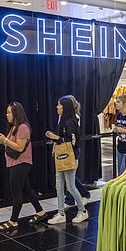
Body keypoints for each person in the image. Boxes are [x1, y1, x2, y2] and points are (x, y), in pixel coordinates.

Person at [0, 102, 47, 231]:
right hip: (15, 163)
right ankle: (40, 212)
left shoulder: (22, 127)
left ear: (16, 113)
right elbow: (12, 145)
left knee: (16, 193)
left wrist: (5, 140)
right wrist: (4, 140)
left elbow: (20, 147)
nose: (7, 115)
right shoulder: (14, 127)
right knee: (26, 189)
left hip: (20, 164)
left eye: (9, 112)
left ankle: (13, 221)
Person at [45, 96, 88, 224]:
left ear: (65, 107)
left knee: (70, 186)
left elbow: (72, 142)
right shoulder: (62, 121)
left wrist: (56, 138)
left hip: (70, 157)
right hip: (61, 157)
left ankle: (83, 210)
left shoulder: (71, 122)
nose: (57, 107)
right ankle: (60, 213)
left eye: (59, 105)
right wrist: (55, 140)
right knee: (59, 186)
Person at [64, 95, 89, 208]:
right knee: (69, 176)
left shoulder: (74, 118)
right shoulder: (68, 117)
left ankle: (84, 194)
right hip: (69, 149)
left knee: (71, 177)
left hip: (72, 150)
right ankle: (69, 199)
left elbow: (72, 137)